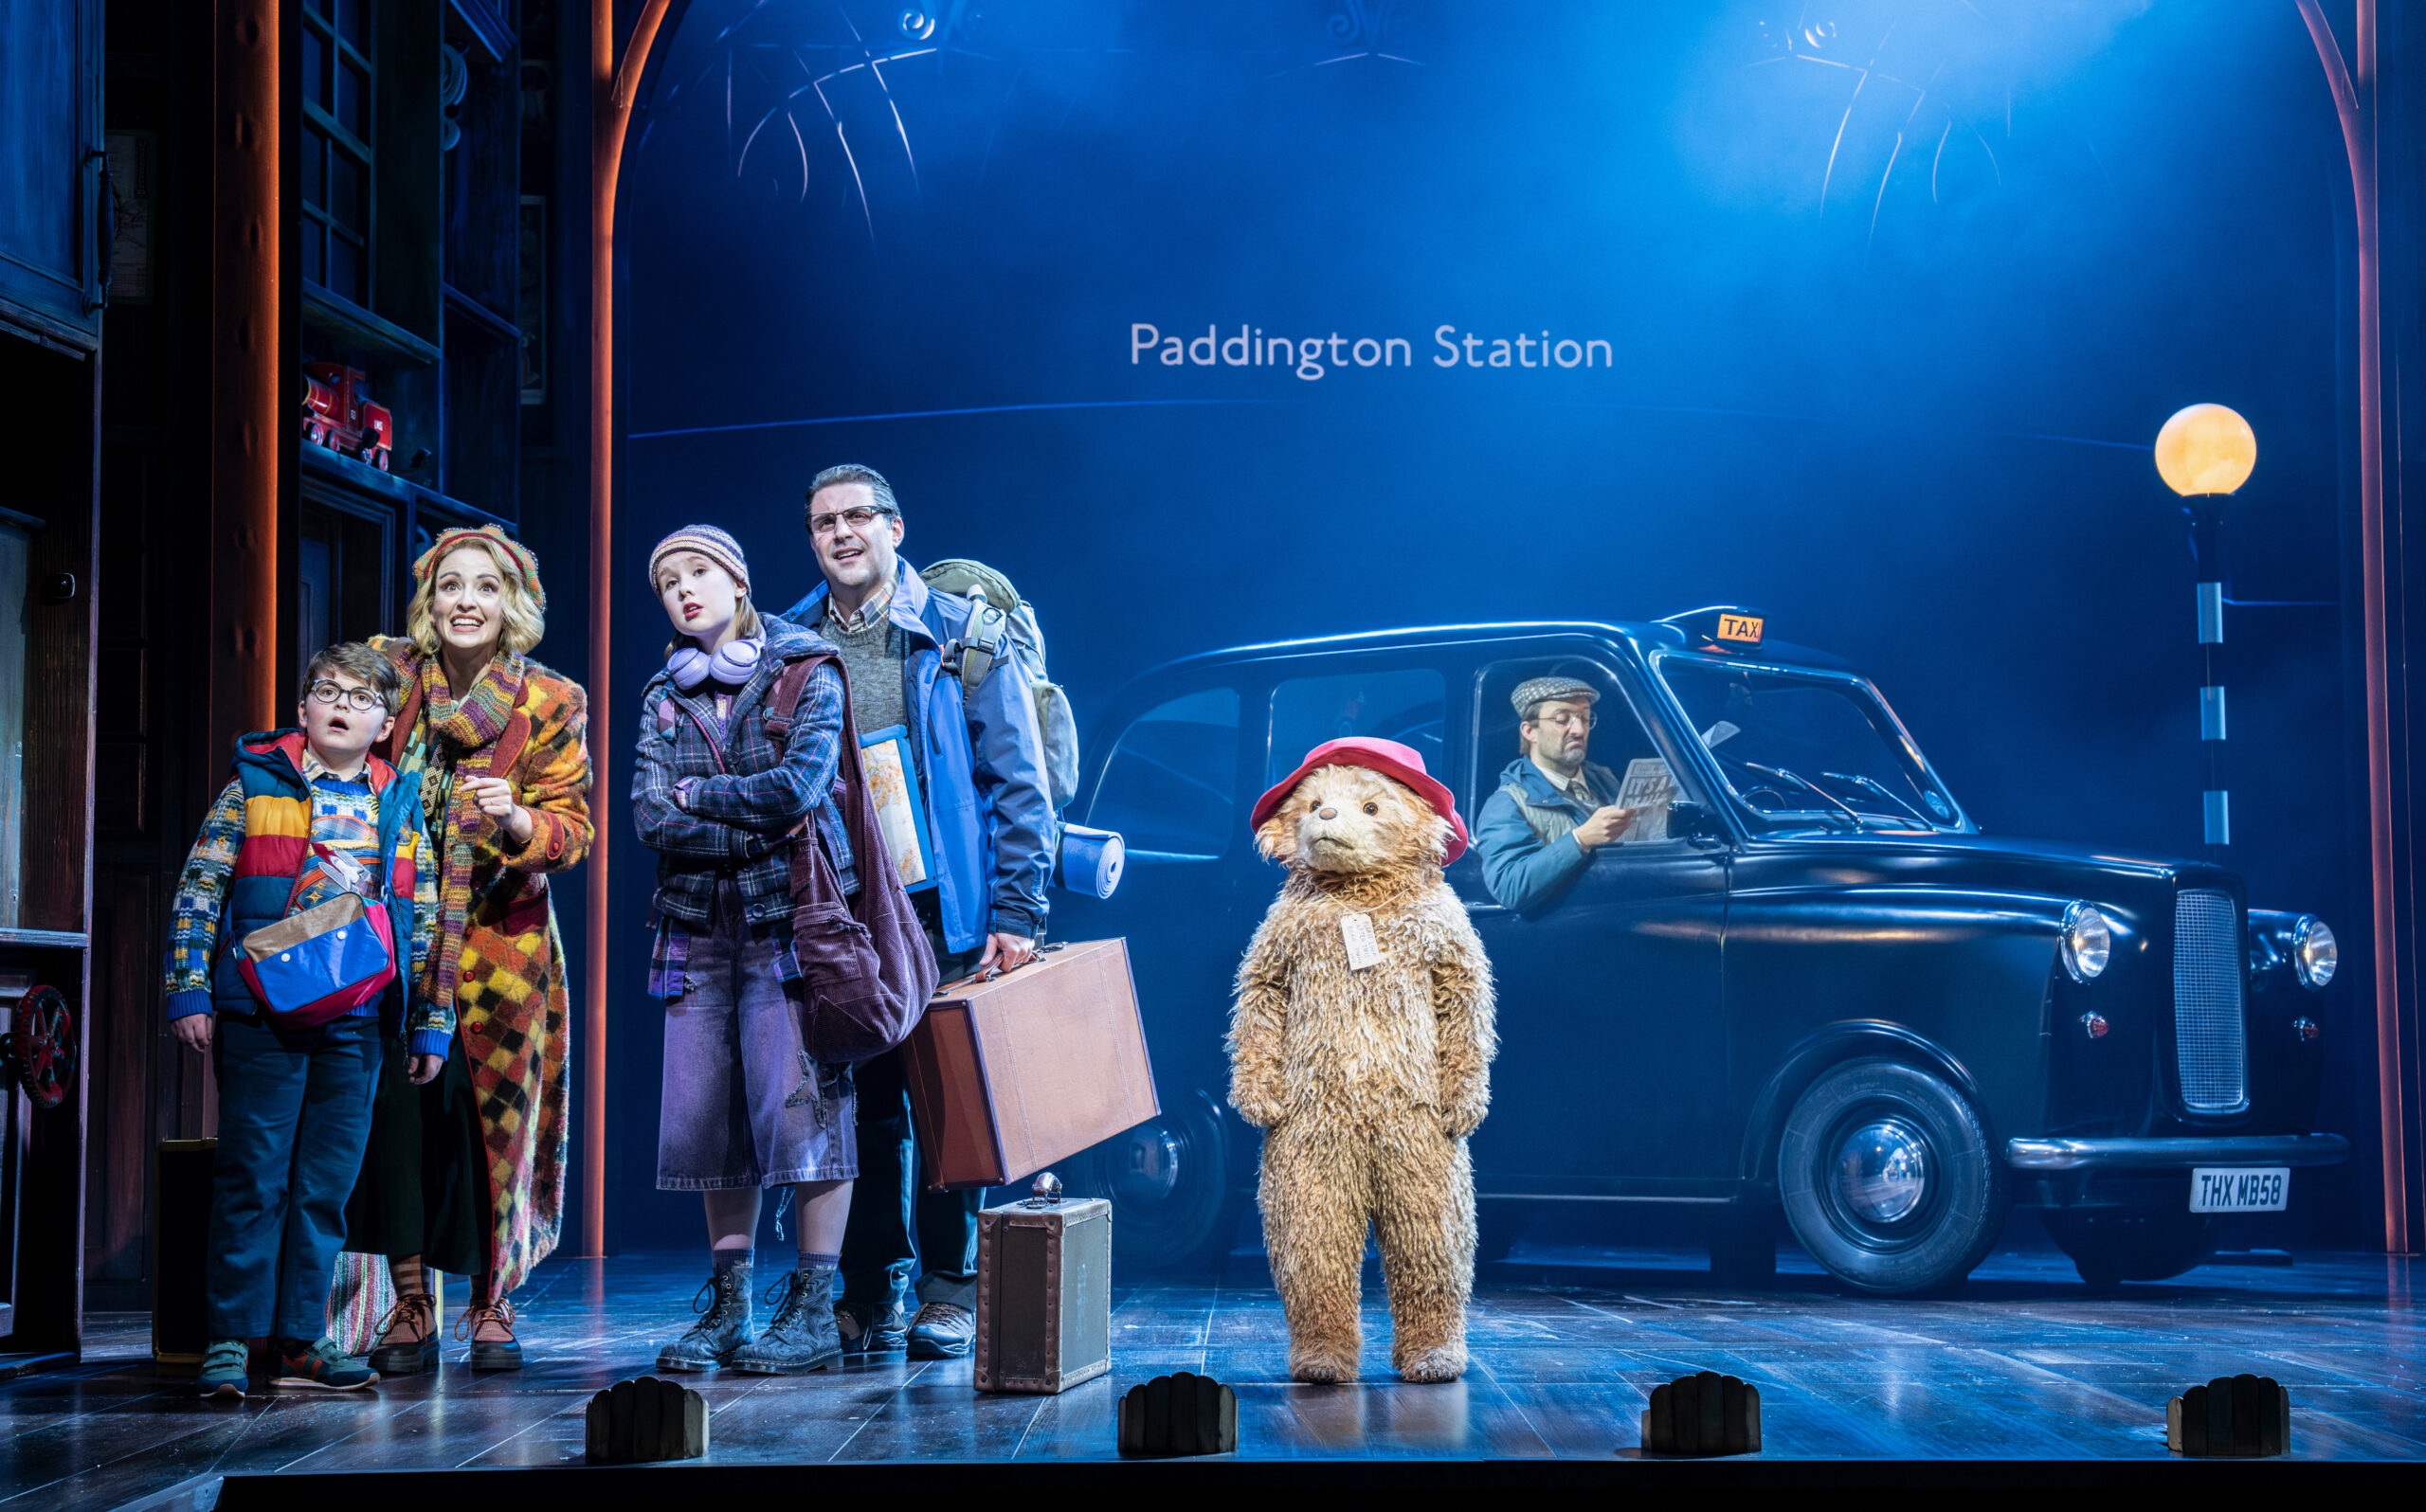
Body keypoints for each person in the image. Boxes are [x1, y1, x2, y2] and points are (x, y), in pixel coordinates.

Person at [784, 463, 1055, 1360]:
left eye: (859, 516)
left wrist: (1017, 907)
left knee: (946, 1105)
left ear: (896, 527)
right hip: (842, 914)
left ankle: (948, 1287)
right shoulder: (788, 640)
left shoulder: (964, 633)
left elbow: (1021, 779)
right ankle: (870, 1287)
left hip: (945, 911)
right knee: (859, 1107)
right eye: (825, 521)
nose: (842, 533)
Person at [347, 524, 593, 1374]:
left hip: (502, 949)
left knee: (493, 1122)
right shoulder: (387, 676)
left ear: (511, 604)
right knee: (399, 1122)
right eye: (451, 585)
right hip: (390, 945)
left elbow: (574, 830)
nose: (466, 601)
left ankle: (494, 1300)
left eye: (485, 587)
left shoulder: (550, 701)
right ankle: (411, 1301)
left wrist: (519, 819)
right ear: (428, 600)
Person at [165, 644, 440, 1398]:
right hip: (262, 1011)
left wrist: (429, 1022)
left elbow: (425, 920)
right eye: (327, 691)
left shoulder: (396, 800)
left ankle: (299, 1338)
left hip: (354, 1020)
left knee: (324, 1185)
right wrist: (190, 989)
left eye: (360, 698)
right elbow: (200, 890)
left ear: (384, 724)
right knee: (253, 1176)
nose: (341, 705)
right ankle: (229, 1338)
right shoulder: (254, 787)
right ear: (303, 710)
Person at [635, 525, 862, 1374]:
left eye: (698, 573)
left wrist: (701, 796)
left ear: (738, 580)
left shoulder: (807, 668)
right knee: (707, 1119)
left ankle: (809, 1308)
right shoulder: (665, 690)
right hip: (694, 929)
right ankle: (729, 1307)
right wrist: (736, 817)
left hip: (787, 925)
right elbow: (649, 814)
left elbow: (801, 788)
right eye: (667, 583)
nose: (684, 591)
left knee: (802, 1113)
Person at [1473, 675, 1638, 913]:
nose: (1579, 729)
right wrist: (1579, 839)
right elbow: (1509, 886)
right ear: (1530, 731)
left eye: (1585, 718)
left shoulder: (1606, 781)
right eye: (1563, 720)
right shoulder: (1508, 802)